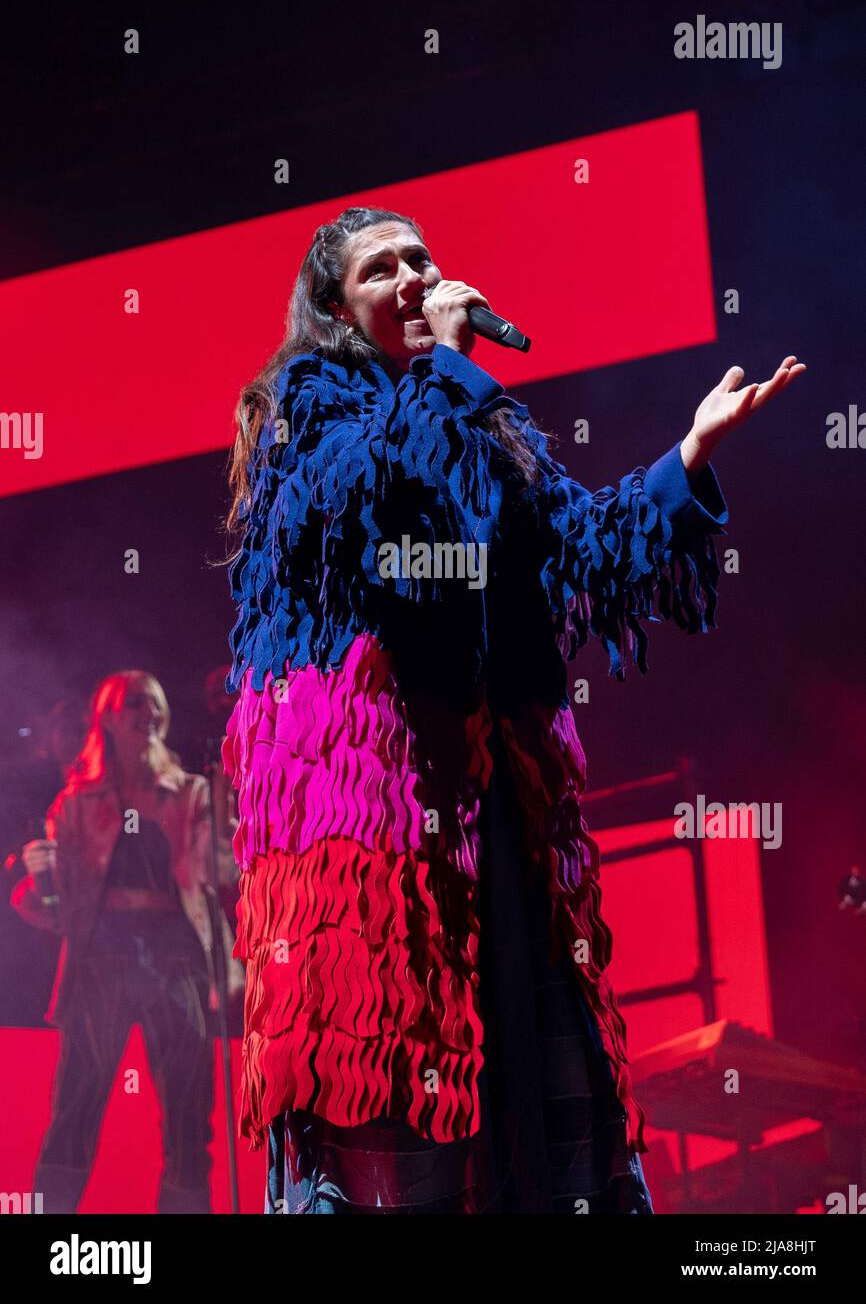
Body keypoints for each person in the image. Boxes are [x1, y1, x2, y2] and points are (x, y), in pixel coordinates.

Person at [220, 204, 804, 1214]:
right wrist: (447, 366)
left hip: (491, 799)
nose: (412, 278)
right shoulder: (305, 409)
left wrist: (688, 457)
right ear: (335, 308)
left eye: (421, 259)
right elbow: (381, 508)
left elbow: (582, 547)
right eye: (380, 270)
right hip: (377, 813)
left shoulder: (485, 420)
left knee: (535, 1087)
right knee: (404, 1085)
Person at [11, 670, 245, 1214]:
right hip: (100, 957)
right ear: (108, 719)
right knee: (76, 1106)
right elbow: (61, 911)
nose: (149, 713)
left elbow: (225, 877)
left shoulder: (192, 793)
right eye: (135, 704)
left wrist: (228, 822)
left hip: (175, 956)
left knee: (189, 1115)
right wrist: (32, 884)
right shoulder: (75, 804)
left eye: (157, 704)